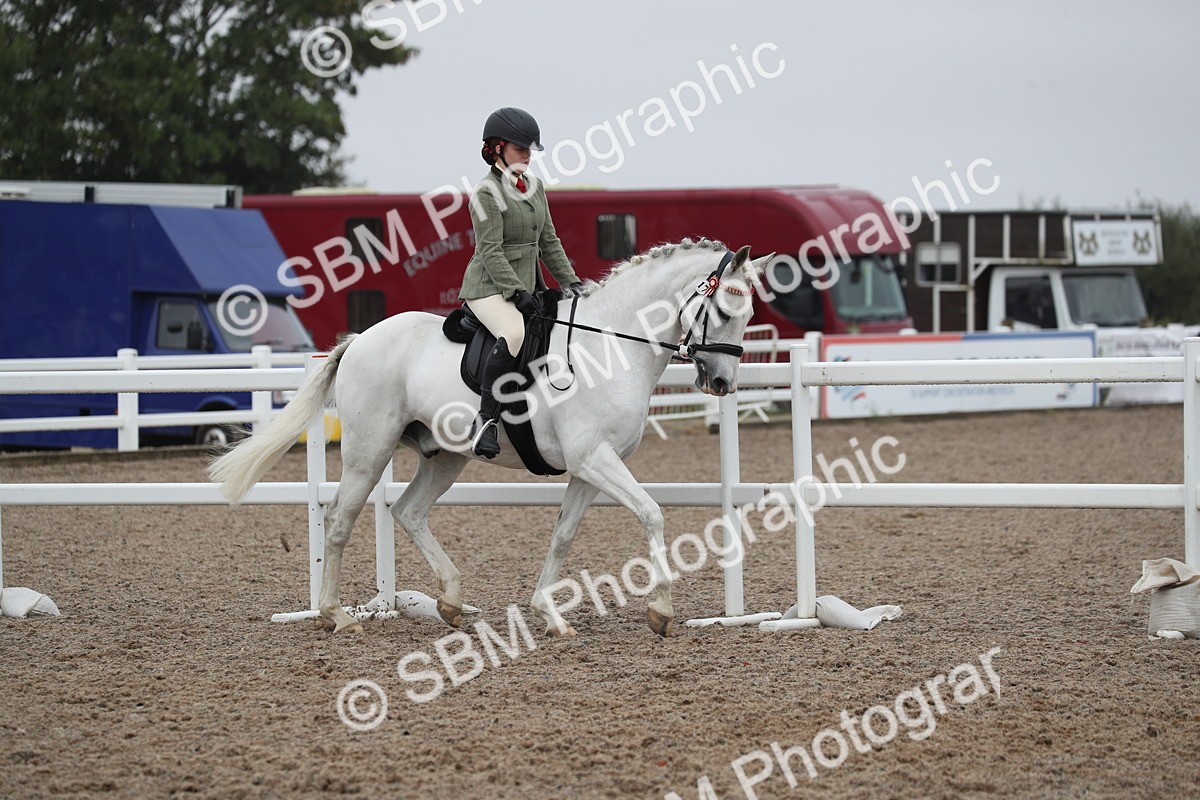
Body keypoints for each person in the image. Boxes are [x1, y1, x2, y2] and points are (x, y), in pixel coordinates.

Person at [459, 107, 587, 459]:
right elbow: (490, 250)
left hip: (531, 285)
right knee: (515, 332)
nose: (528, 155)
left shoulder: (534, 187)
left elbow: (549, 242)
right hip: (488, 286)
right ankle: (486, 419)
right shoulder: (485, 192)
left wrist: (572, 282)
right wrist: (515, 291)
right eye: (520, 148)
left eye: (530, 149)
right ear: (497, 148)